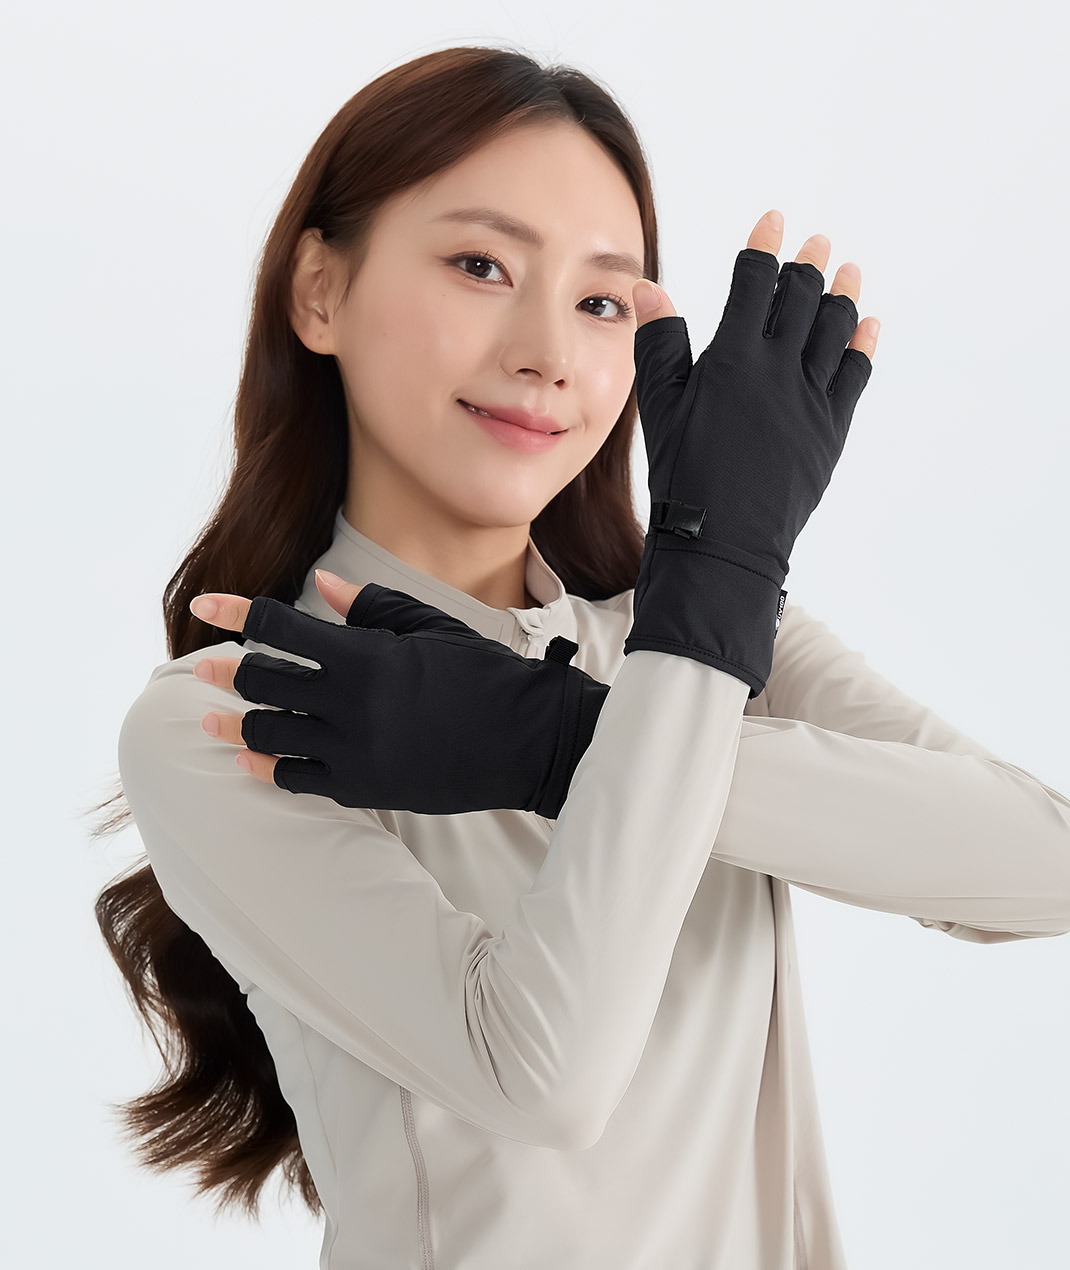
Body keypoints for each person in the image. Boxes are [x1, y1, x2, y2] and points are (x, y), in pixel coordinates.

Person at [94, 45, 1070, 1270]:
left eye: (601, 302)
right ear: (318, 291)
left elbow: (1043, 866)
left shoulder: (692, 636)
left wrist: (552, 732)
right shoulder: (238, 710)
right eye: (479, 266)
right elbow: (542, 1076)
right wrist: (668, 666)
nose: (547, 352)